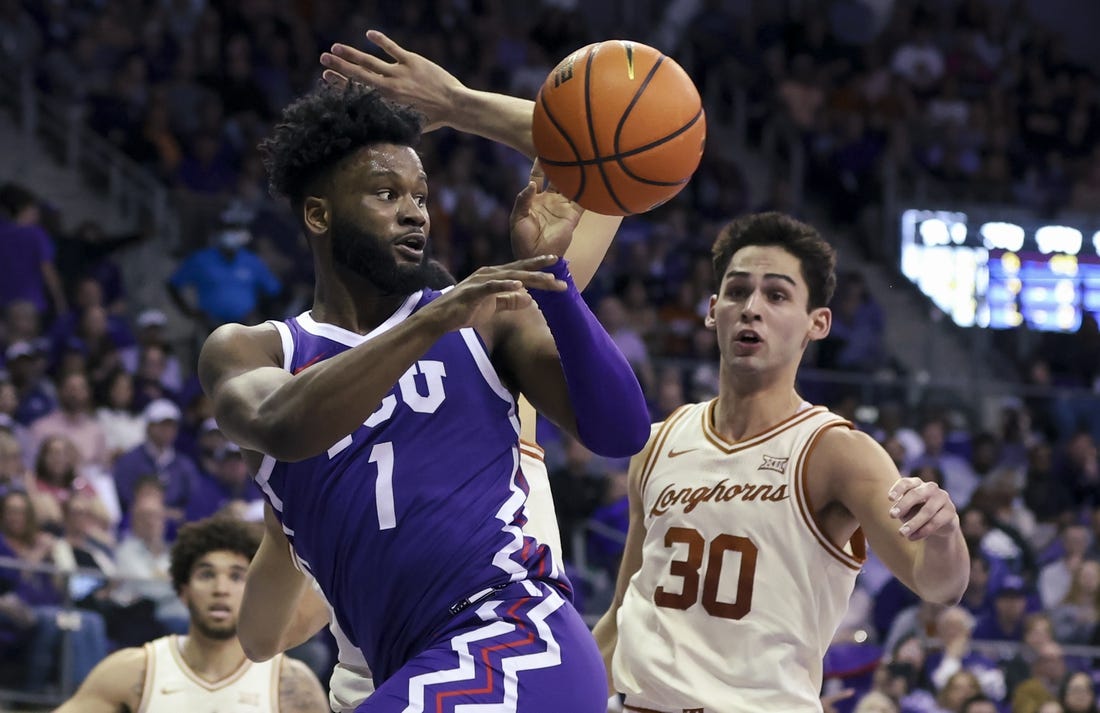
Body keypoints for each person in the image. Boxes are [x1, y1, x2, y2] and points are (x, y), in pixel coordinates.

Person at [197, 71, 650, 711]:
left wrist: (556, 276)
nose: (414, 210)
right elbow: (279, 424)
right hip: (405, 667)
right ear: (319, 214)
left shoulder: (486, 320)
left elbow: (622, 431)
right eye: (386, 193)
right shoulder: (254, 349)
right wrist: (431, 321)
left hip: (514, 636)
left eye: (420, 195)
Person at [592, 212, 969, 712]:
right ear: (711, 310)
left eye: (776, 295)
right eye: (737, 291)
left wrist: (944, 533)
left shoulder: (835, 451)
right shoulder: (658, 442)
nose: (751, 308)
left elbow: (939, 583)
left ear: (818, 322)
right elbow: (622, 615)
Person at [54, 516, 327, 712]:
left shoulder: (291, 683)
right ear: (183, 591)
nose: (220, 589)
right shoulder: (133, 671)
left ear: (255, 591)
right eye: (207, 575)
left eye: (236, 576)